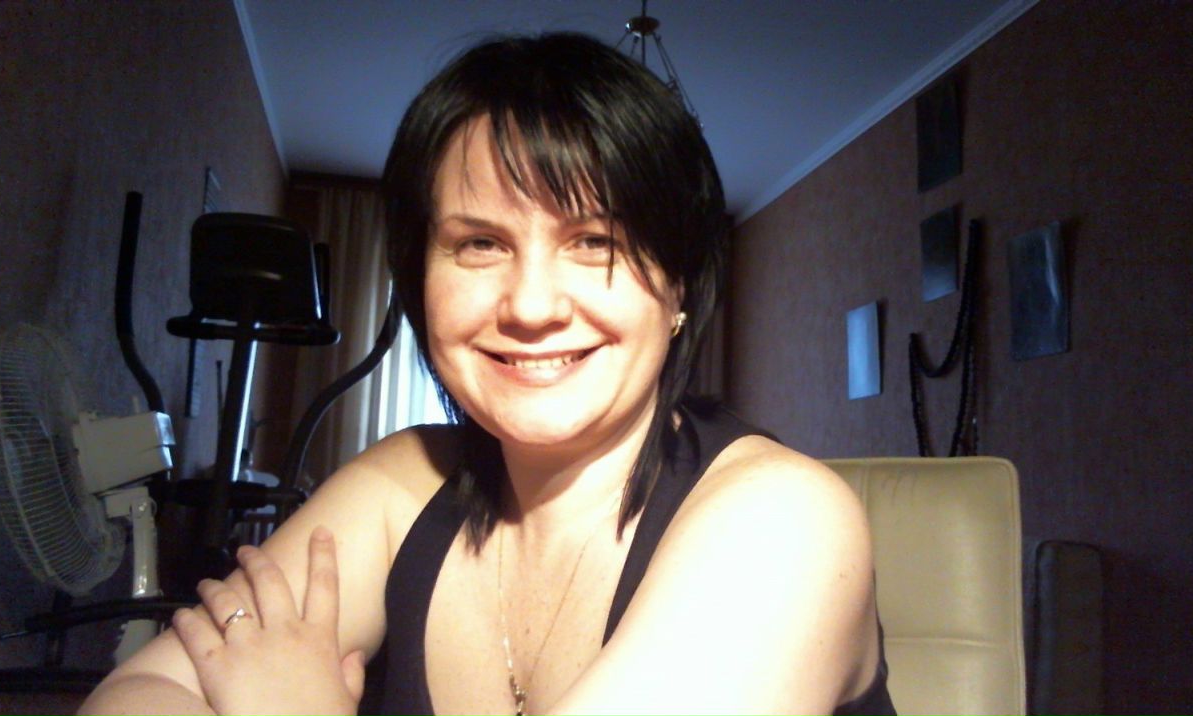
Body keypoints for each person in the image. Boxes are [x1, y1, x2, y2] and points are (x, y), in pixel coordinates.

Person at [80, 32, 893, 716]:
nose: (531, 305)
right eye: (479, 243)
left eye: (595, 242)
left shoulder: (783, 521)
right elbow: (139, 693)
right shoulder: (400, 486)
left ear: (677, 286)